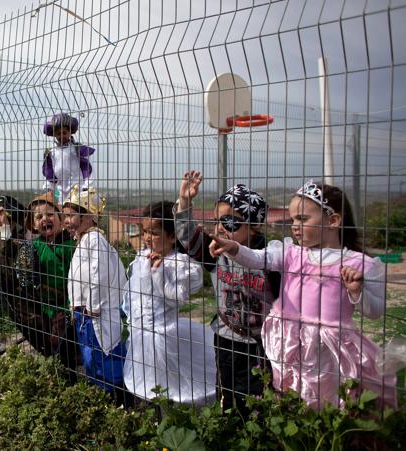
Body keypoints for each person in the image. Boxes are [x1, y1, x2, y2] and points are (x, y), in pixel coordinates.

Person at [209, 180, 398, 409]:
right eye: (293, 220)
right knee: (290, 395)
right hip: (288, 343)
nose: (295, 226)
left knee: (327, 398)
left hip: (326, 348)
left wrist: (357, 291)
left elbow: (375, 312)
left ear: (333, 220)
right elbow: (257, 258)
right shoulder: (291, 253)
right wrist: (233, 248)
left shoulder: (358, 264)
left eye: (302, 219)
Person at [175, 170, 280, 416]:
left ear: (254, 227)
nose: (220, 228)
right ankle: (228, 428)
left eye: (230, 222)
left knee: (258, 400)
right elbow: (186, 235)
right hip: (226, 337)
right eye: (217, 221)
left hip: (261, 344)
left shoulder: (270, 259)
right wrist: (185, 201)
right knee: (227, 394)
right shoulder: (216, 252)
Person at [122, 201, 216, 405]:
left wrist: (158, 271)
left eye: (154, 233)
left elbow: (176, 296)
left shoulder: (177, 263)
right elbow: (135, 294)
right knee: (147, 386)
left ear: (172, 236)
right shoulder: (142, 257)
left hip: (165, 335)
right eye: (145, 231)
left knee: (173, 389)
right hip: (142, 333)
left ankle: (172, 415)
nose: (147, 237)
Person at [62, 185, 127, 398]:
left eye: (71, 216)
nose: (66, 221)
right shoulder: (85, 239)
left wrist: (93, 305)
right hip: (85, 314)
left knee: (103, 355)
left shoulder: (95, 240)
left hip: (94, 314)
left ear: (88, 216)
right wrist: (75, 304)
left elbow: (98, 275)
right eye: (65, 216)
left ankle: (113, 397)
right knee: (92, 356)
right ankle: (101, 395)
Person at [15, 191, 79, 375]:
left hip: (66, 306)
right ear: (35, 225)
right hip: (44, 307)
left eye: (50, 214)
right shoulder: (34, 246)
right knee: (48, 346)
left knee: (65, 349)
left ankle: (68, 377)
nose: (45, 219)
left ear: (60, 219)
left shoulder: (70, 246)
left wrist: (70, 308)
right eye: (39, 217)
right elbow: (24, 277)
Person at [42, 112, 95, 205]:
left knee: (74, 209)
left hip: (77, 187)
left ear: (70, 132)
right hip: (60, 188)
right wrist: (49, 187)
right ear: (54, 135)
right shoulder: (51, 151)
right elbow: (50, 172)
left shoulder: (76, 148)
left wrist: (87, 186)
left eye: (64, 133)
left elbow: (87, 168)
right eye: (58, 134)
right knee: (60, 208)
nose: (62, 136)